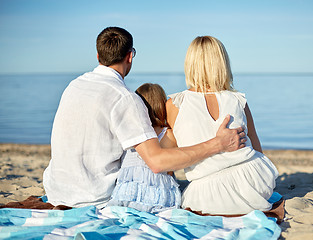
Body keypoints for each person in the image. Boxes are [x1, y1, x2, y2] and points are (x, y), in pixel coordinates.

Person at [43, 27, 246, 209]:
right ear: (130, 56)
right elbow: (156, 162)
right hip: (91, 198)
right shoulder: (125, 99)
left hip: (56, 191)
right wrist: (218, 144)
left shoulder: (73, 86)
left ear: (98, 56)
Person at [166, 36, 279, 216]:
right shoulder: (238, 99)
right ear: (222, 63)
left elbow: (169, 157)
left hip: (205, 193)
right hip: (253, 181)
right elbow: (256, 146)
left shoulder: (175, 104)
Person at [107, 83, 180, 212]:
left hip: (125, 194)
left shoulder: (128, 132)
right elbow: (170, 169)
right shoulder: (168, 135)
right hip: (157, 197)